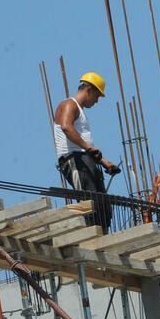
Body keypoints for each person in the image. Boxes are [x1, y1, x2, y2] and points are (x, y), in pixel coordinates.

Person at [53, 72, 120, 233]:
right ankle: (92, 238)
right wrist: (88, 149)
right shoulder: (69, 104)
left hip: (85, 159)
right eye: (97, 96)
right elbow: (67, 128)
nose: (97, 101)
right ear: (89, 90)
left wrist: (104, 162)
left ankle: (103, 237)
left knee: (104, 206)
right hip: (73, 160)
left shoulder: (81, 112)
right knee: (89, 203)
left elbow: (86, 147)